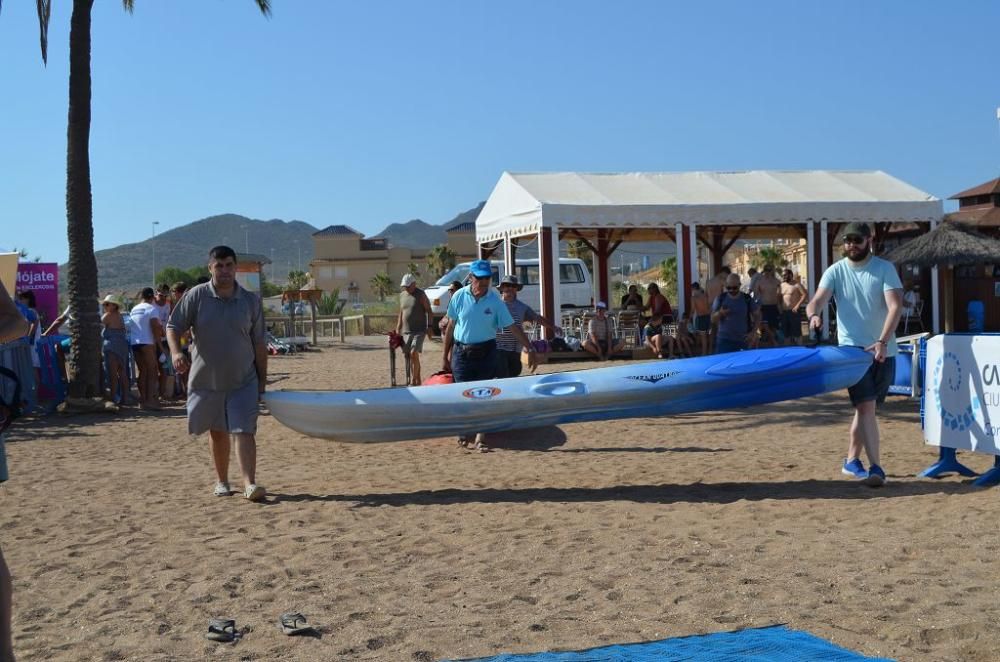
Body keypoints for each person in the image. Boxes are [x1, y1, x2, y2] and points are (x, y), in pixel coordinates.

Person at [167, 246, 269, 501]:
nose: (224, 270)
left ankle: (249, 483)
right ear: (210, 268)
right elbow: (173, 326)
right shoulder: (196, 296)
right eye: (219, 265)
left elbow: (259, 343)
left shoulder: (250, 301)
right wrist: (176, 353)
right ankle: (222, 481)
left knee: (244, 429)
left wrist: (262, 380)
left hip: (244, 378)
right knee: (218, 430)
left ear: (236, 267)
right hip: (207, 379)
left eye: (228, 265)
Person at [805, 222, 903, 487]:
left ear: (869, 240)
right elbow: (816, 300)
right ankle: (877, 468)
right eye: (847, 241)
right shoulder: (835, 271)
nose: (851, 246)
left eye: (856, 240)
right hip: (852, 353)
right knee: (866, 407)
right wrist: (813, 315)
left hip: (884, 351)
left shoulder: (884, 269)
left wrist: (882, 341)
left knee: (866, 410)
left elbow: (895, 307)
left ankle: (851, 460)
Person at [442, 260, 536, 451]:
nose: (484, 282)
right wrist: (445, 355)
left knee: (484, 395)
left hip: (487, 352)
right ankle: (463, 431)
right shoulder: (459, 297)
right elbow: (451, 326)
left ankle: (480, 438)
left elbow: (513, 327)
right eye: (480, 278)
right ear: (471, 277)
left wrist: (530, 347)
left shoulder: (495, 302)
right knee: (461, 394)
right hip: (461, 353)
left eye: (487, 278)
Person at [495, 274, 559, 378]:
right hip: (498, 349)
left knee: (514, 374)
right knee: (502, 377)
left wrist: (553, 327)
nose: (510, 288)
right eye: (507, 285)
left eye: (513, 286)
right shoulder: (495, 305)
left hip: (515, 350)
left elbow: (537, 318)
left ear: (516, 289)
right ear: (502, 287)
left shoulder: (522, 307)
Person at [396, 274, 433, 386]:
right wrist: (398, 327)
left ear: (414, 284)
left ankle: (413, 380)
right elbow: (401, 312)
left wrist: (430, 326)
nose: (406, 288)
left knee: (413, 353)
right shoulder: (402, 295)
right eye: (404, 286)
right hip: (406, 331)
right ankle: (418, 380)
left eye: (408, 286)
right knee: (410, 356)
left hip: (419, 330)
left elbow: (429, 311)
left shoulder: (421, 294)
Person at [129, 288, 162, 410]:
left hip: (135, 343)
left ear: (141, 296)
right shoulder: (152, 309)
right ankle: (150, 401)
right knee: (152, 370)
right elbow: (155, 328)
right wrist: (160, 346)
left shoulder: (134, 309)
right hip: (147, 342)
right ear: (152, 297)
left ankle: (142, 400)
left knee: (142, 371)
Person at [710, 273, 760, 354]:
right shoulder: (720, 298)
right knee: (724, 366)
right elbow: (712, 319)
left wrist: (753, 332)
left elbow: (758, 316)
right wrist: (720, 313)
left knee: (743, 365)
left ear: (739, 285)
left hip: (743, 340)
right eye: (729, 288)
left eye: (734, 288)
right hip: (724, 340)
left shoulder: (747, 299)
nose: (731, 290)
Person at [101, 294, 132, 405]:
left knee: (112, 374)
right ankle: (125, 397)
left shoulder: (107, 316)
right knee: (122, 373)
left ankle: (113, 398)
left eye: (107, 304)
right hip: (122, 345)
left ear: (114, 305)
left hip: (112, 346)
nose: (105, 306)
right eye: (104, 304)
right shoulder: (119, 316)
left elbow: (96, 326)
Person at [752, 265, 782, 347]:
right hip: (764, 305)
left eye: (769, 270)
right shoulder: (759, 281)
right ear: (764, 270)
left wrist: (780, 306)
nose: (768, 272)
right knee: (765, 325)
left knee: (774, 326)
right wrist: (756, 307)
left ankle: (771, 342)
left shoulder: (777, 281)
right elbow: (755, 294)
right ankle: (773, 340)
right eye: (766, 270)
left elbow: (780, 295)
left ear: (772, 271)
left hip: (774, 305)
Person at [779, 269, 807, 345]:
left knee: (797, 332)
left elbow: (804, 295)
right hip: (784, 312)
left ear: (790, 275)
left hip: (794, 311)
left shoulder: (797, 284)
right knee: (786, 333)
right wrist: (780, 308)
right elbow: (779, 298)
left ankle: (800, 349)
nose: (783, 277)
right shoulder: (782, 285)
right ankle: (787, 350)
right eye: (783, 275)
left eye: (785, 275)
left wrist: (797, 305)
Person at [690, 282, 711, 355]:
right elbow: (710, 305)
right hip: (708, 316)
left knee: (703, 337)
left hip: (701, 318)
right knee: (709, 335)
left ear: (693, 289)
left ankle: (704, 353)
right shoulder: (705, 295)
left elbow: (693, 310)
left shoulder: (694, 298)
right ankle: (709, 351)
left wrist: (689, 318)